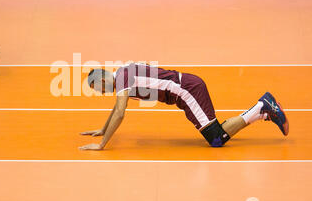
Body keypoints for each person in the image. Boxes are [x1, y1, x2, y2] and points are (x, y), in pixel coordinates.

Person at [80, 63, 289, 150]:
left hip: (187, 90)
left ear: (101, 81)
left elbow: (120, 113)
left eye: (96, 88)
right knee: (213, 133)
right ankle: (263, 112)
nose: (99, 92)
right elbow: (116, 108)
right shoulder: (122, 74)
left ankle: (262, 107)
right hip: (185, 92)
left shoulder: (123, 78)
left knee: (215, 138)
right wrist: (103, 129)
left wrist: (102, 145)